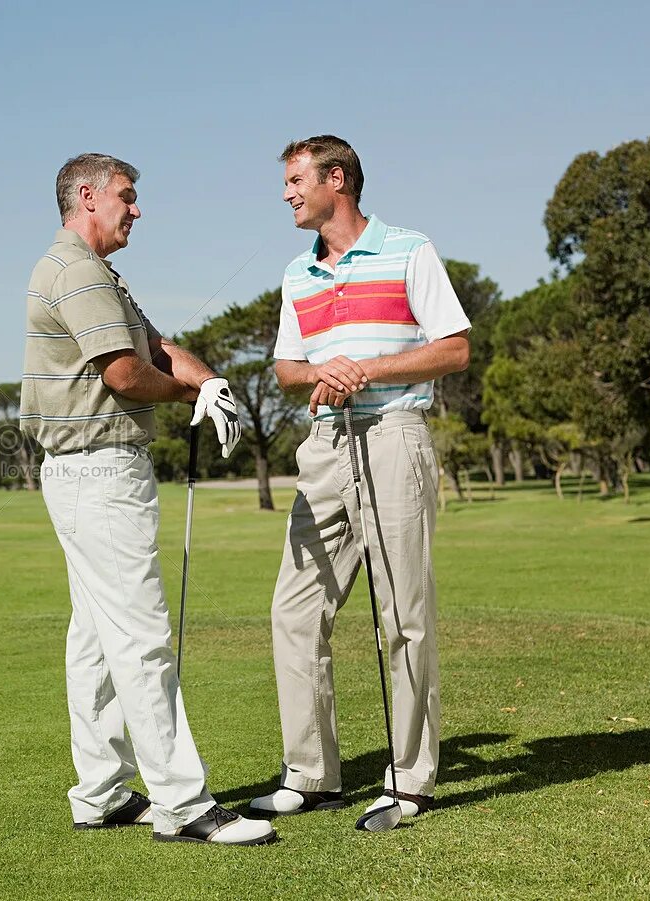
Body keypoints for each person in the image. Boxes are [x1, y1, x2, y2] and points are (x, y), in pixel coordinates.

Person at [20, 152, 272, 846]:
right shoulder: (75, 271)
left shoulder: (99, 274)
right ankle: (182, 804)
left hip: (87, 473)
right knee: (141, 638)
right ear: (89, 196)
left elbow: (155, 347)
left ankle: (99, 791)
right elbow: (127, 374)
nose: (137, 209)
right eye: (127, 197)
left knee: (97, 640)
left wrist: (210, 379)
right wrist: (193, 394)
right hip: (99, 472)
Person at [249, 136, 471, 823]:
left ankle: (410, 780)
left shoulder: (410, 249)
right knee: (293, 610)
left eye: (295, 179)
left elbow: (455, 348)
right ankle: (312, 774)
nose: (287, 192)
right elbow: (288, 367)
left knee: (403, 615)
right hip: (323, 447)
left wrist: (365, 370)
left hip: (393, 438)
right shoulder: (298, 273)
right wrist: (324, 371)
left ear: (335, 179)